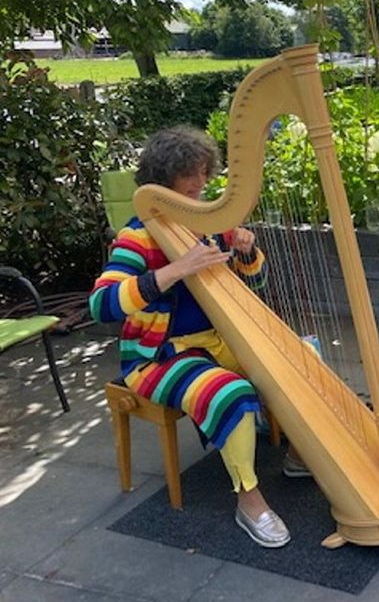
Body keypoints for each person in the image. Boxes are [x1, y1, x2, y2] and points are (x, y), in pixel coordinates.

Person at [89, 126, 308, 549]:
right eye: (192, 174)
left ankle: (302, 455)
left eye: (206, 171)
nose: (202, 183)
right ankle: (250, 500)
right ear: (163, 179)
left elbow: (257, 286)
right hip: (158, 356)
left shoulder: (209, 225)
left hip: (221, 339)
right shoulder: (137, 237)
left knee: (299, 356)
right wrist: (174, 270)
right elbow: (101, 305)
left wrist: (246, 251)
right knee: (231, 392)